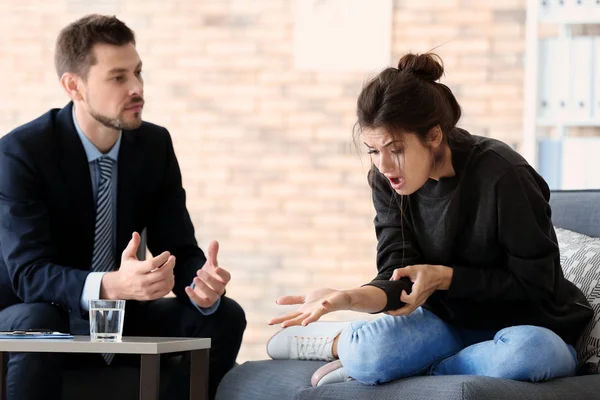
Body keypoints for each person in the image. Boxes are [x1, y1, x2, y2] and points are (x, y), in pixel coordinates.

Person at [266, 52, 593, 387]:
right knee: (368, 353)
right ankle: (350, 347)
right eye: (373, 151)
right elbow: (399, 277)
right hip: (447, 325)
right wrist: (348, 297)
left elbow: (535, 285)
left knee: (528, 356)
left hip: (528, 325)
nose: (384, 165)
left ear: (434, 136)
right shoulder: (387, 180)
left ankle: (406, 367)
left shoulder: (503, 175)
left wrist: (446, 278)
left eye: (396, 149)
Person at [0, 14, 246, 400]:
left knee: (225, 315)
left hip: (119, 315)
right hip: (32, 312)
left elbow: (178, 251)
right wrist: (111, 284)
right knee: (38, 318)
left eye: (138, 72)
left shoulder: (154, 145)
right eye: (118, 77)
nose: (137, 88)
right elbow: (28, 275)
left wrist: (201, 283)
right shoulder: (21, 152)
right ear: (74, 86)